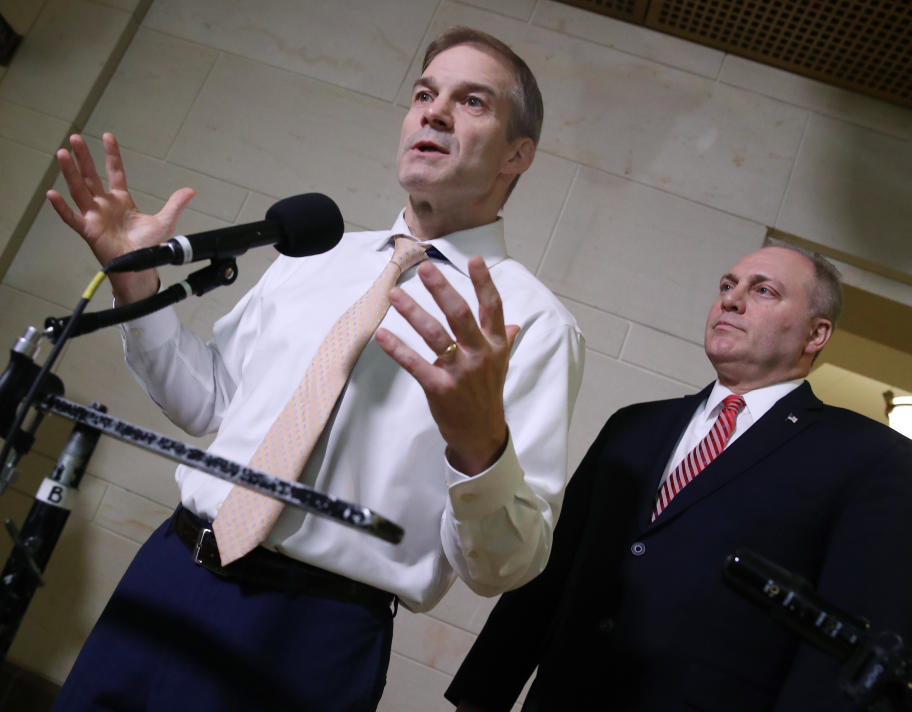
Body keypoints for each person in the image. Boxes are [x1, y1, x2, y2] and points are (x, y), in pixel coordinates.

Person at [44, 27, 584, 712]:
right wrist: (139, 290)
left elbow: (505, 566)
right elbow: (211, 403)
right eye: (424, 94)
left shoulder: (532, 325)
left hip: (310, 632)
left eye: (471, 101)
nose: (434, 112)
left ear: (518, 153)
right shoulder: (314, 255)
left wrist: (479, 445)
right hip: (170, 572)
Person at [446, 245, 912, 711]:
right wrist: (482, 695)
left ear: (816, 334)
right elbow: (550, 571)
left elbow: (855, 652)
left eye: (764, 291)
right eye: (727, 285)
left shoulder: (870, 458)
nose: (731, 299)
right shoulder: (633, 425)